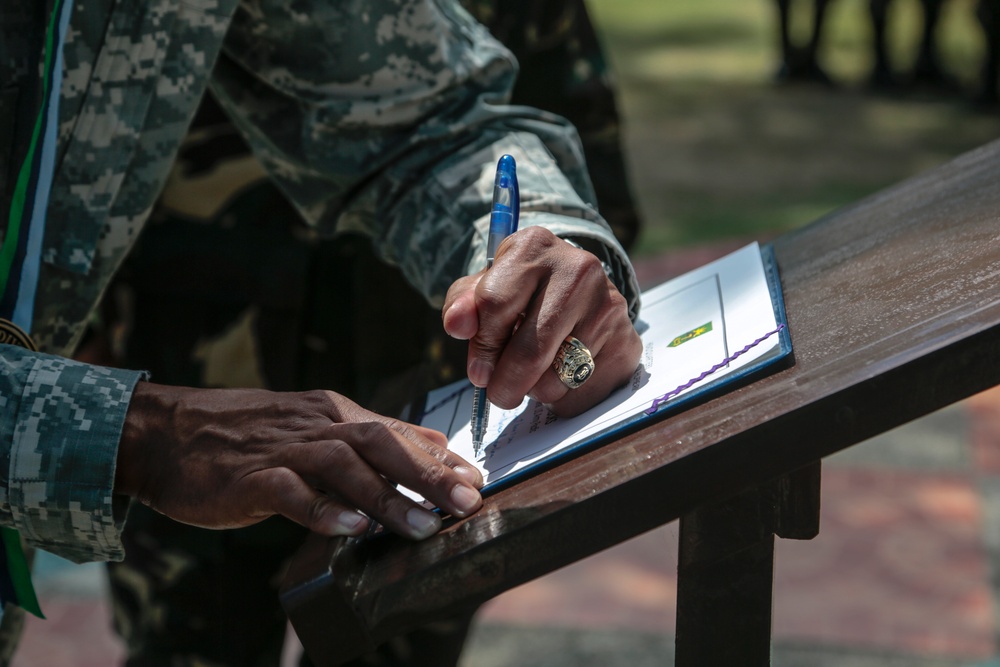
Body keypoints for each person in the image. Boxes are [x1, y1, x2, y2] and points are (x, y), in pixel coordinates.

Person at [0, 0, 643, 664]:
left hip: (397, 367)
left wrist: (551, 249)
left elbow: (425, 120)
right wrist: (128, 430)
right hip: (189, 352)